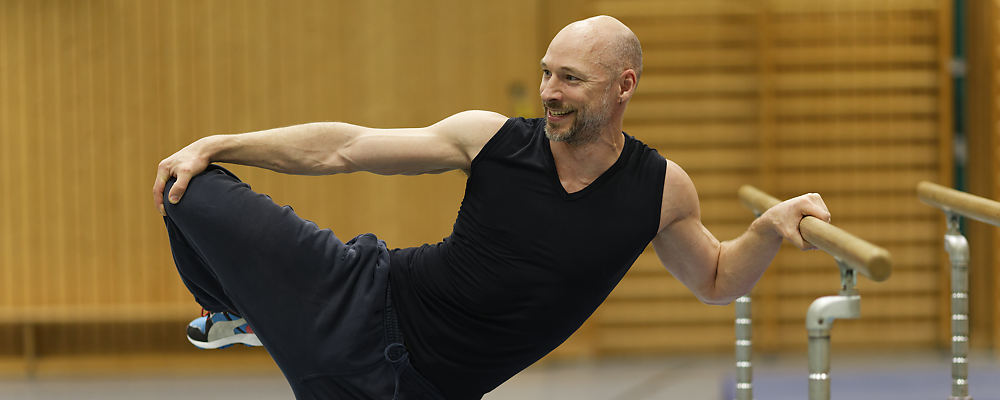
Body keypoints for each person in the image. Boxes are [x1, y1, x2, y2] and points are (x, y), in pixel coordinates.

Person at [152, 15, 829, 400]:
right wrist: (219, 142)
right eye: (546, 73)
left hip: (422, 389)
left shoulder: (660, 189)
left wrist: (769, 228)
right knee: (191, 185)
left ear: (623, 86)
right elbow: (345, 148)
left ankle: (263, 316)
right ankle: (237, 311)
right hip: (360, 295)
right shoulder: (491, 140)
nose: (550, 91)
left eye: (570, 78)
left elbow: (716, 279)